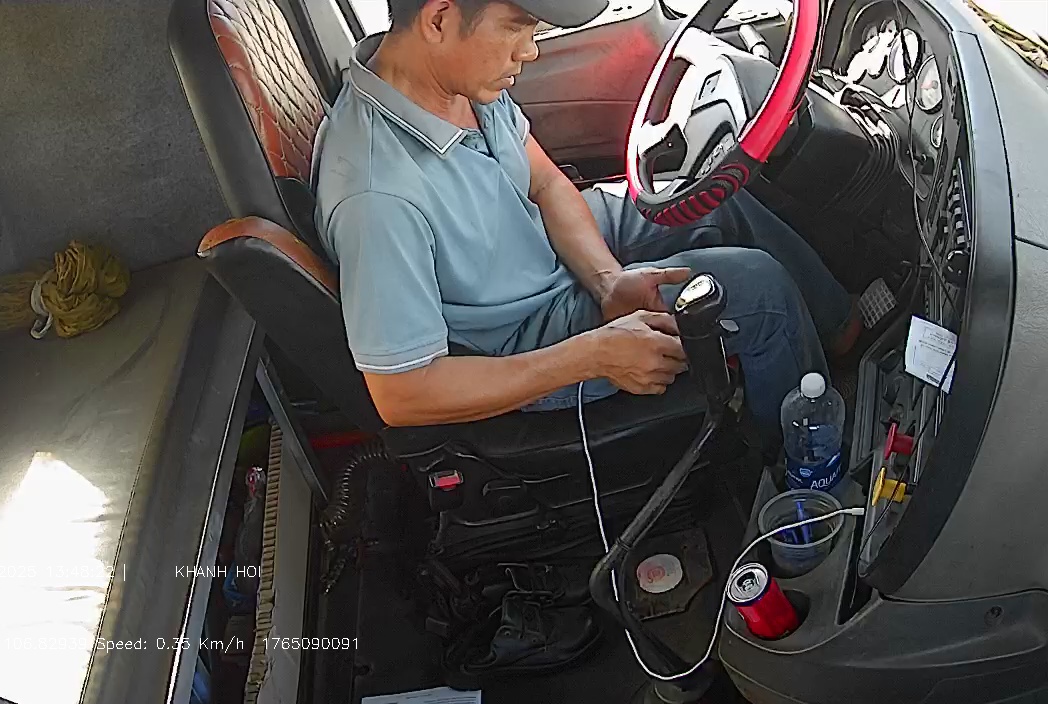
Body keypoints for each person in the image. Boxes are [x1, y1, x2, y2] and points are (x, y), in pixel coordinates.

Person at [312, 0, 859, 432]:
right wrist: (593, 355)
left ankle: (844, 334)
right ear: (438, 19)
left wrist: (608, 281)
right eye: (516, 28)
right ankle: (807, 457)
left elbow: (546, 183)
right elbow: (402, 394)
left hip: (539, 248)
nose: (530, 51)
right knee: (760, 290)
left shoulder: (451, 81)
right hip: (533, 334)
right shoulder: (378, 197)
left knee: (714, 194)